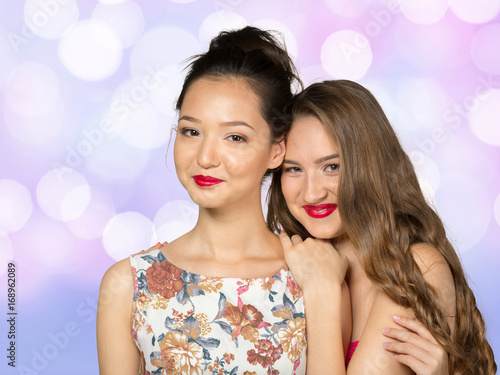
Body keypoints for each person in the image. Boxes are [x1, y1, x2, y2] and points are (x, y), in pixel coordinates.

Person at [97, 26, 447, 374]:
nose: (206, 157)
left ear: (275, 151)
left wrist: (324, 293)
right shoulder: (128, 284)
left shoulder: (316, 275)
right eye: (191, 131)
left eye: (234, 136)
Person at [267, 79, 497, 374]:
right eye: (294, 169)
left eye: (332, 167)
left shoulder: (415, 268)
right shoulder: (283, 264)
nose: (312, 193)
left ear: (371, 166)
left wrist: (322, 293)